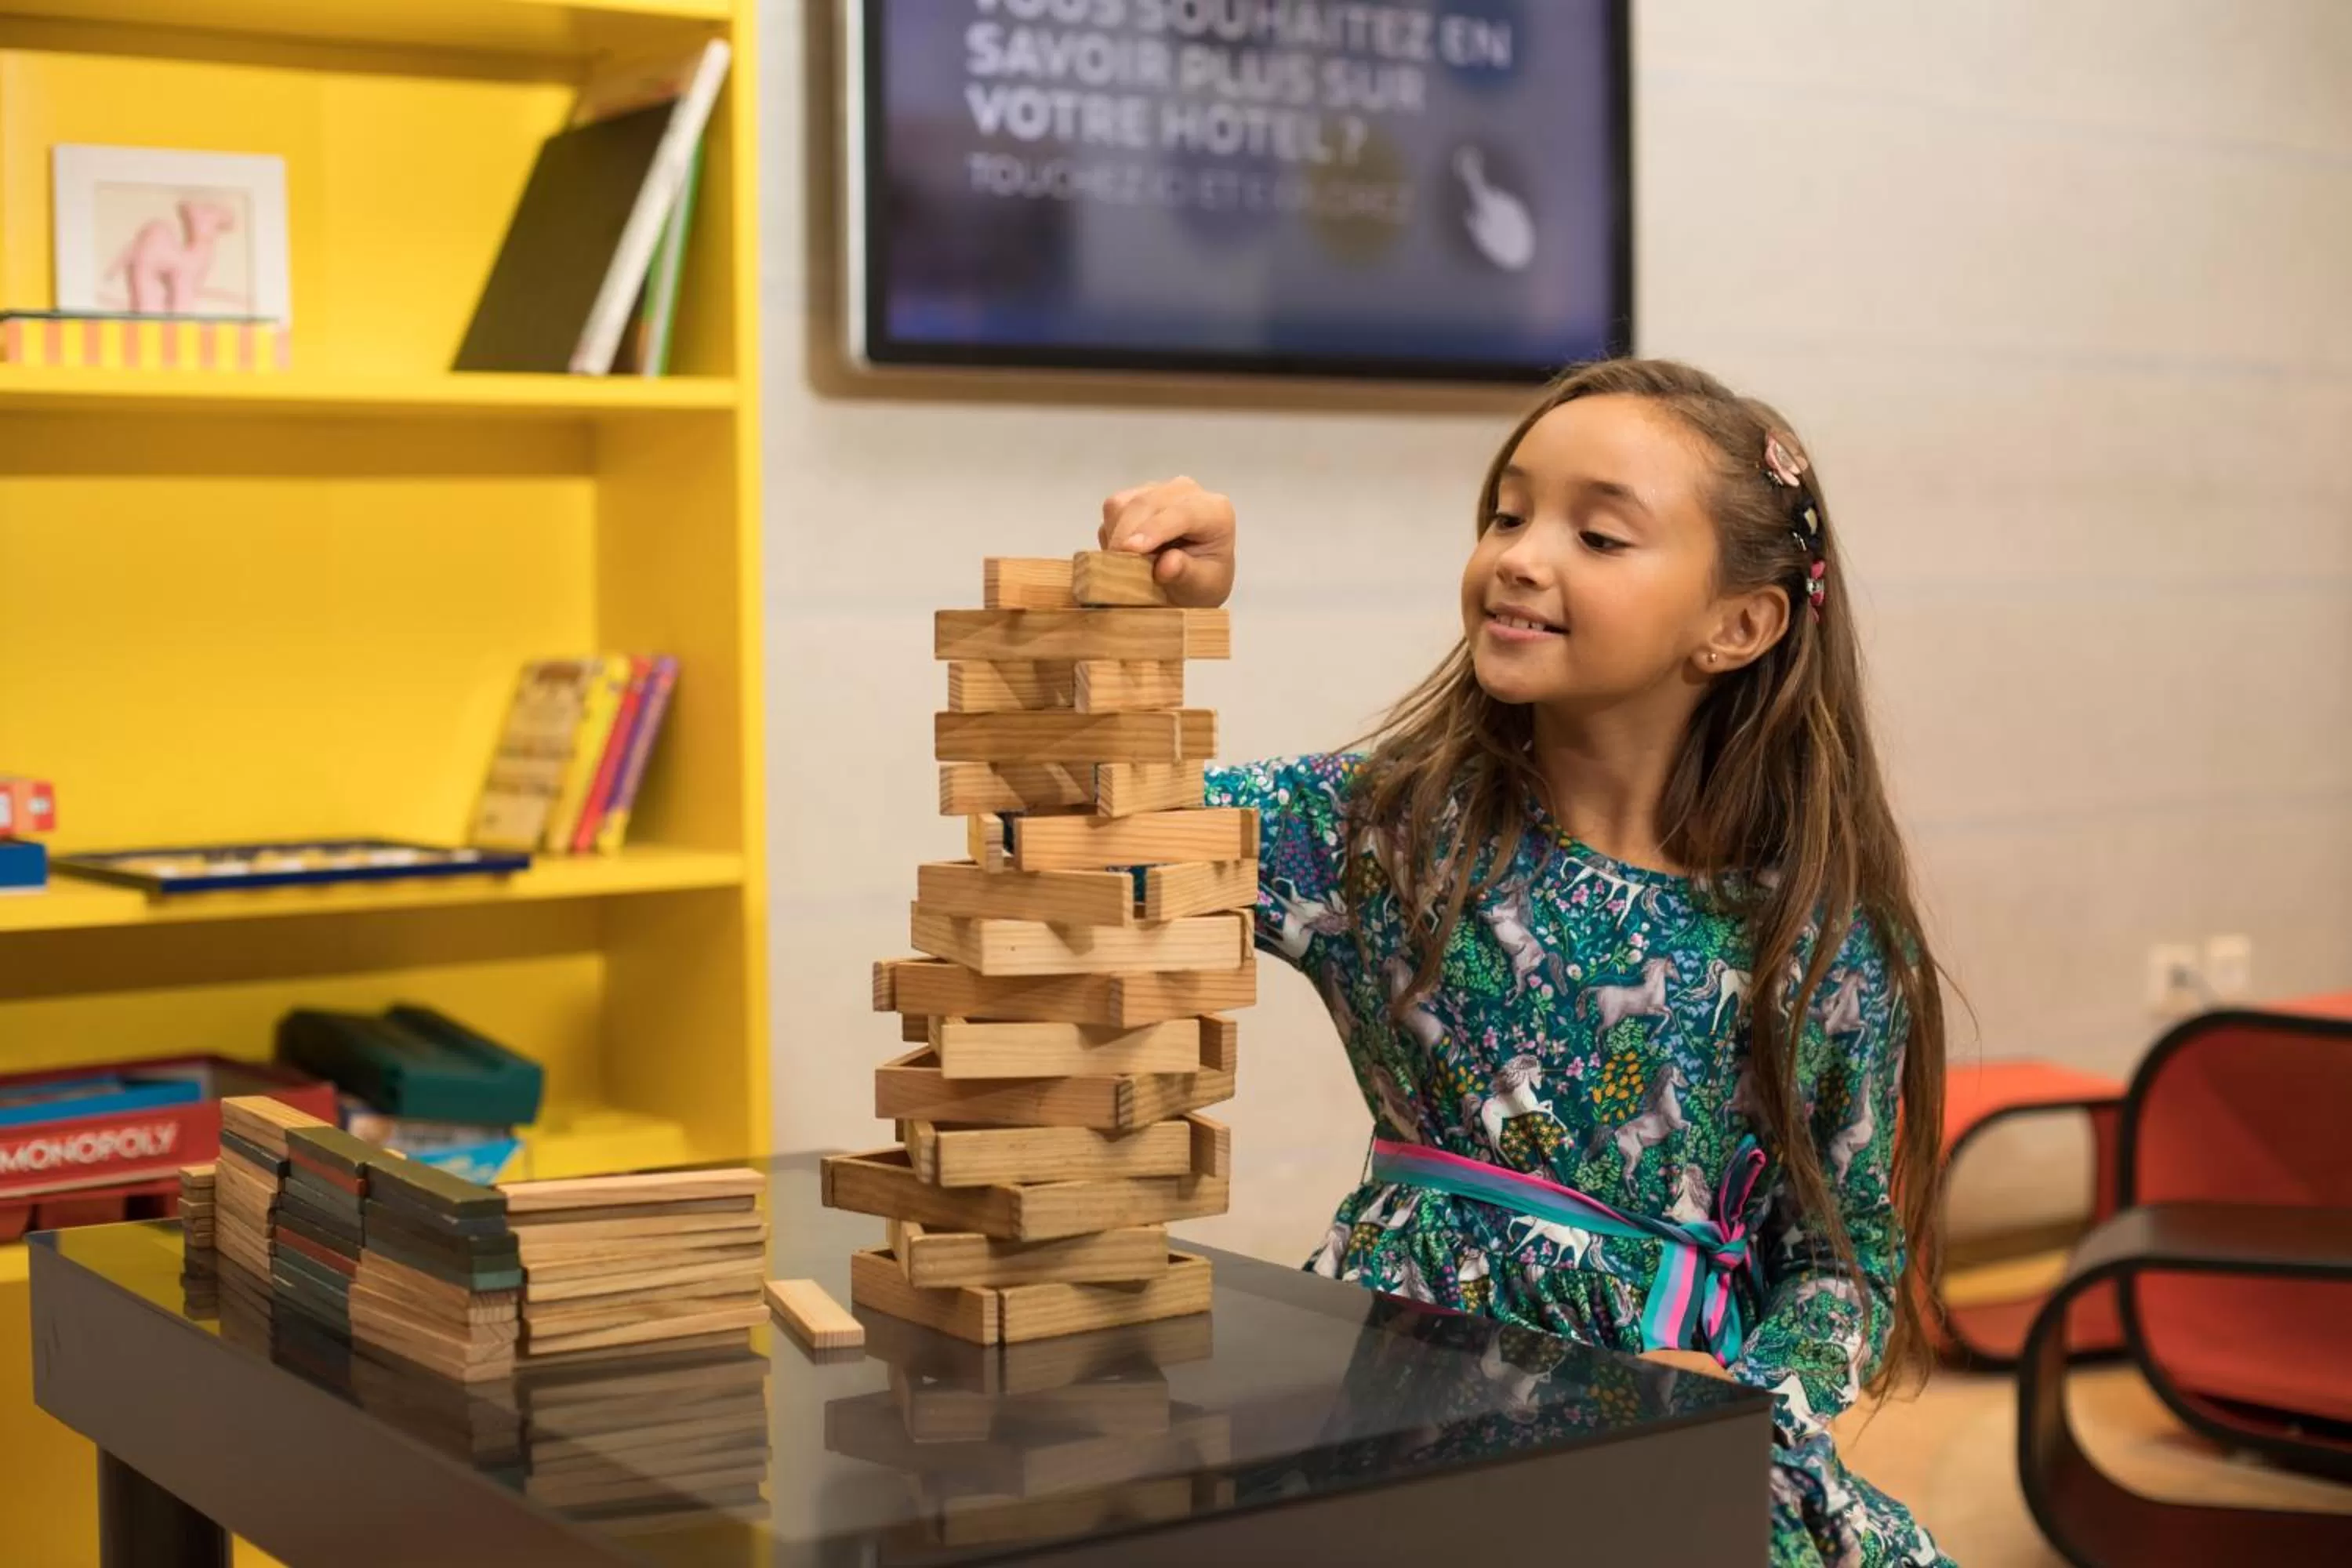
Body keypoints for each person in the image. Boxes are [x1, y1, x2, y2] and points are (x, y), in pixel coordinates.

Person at [1100, 357, 1951, 1566]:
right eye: (1507, 512)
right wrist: (1156, 621)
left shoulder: (1823, 935)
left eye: (1599, 534)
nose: (1520, 552)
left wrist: (1745, 1403)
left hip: (1681, 1458)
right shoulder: (1384, 833)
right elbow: (1093, 853)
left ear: (1741, 624)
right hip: (1403, 1419)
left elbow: (1845, 1268)